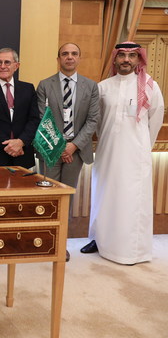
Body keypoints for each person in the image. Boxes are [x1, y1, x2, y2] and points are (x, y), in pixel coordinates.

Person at [81, 42, 164, 265]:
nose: (126, 59)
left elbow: (156, 118)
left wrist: (143, 145)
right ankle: (99, 240)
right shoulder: (103, 87)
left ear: (138, 59)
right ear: (115, 59)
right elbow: (97, 121)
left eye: (132, 55)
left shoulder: (150, 86)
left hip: (135, 153)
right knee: (104, 194)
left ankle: (131, 249)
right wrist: (109, 139)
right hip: (108, 151)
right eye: (122, 55)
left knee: (131, 198)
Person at [36, 43, 99, 262]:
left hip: (76, 151)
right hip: (50, 150)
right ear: (58, 59)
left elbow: (93, 120)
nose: (69, 57)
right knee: (48, 197)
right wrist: (61, 146)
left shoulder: (91, 87)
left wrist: (73, 145)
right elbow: (42, 117)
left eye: (74, 54)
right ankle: (45, 242)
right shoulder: (45, 85)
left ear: (79, 58)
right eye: (65, 54)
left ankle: (60, 245)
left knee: (66, 199)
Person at [0, 48, 40, 168]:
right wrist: (9, 146)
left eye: (7, 62)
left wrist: (21, 142)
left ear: (16, 66)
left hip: (22, 154)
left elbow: (34, 119)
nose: (2, 66)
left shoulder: (28, 89)